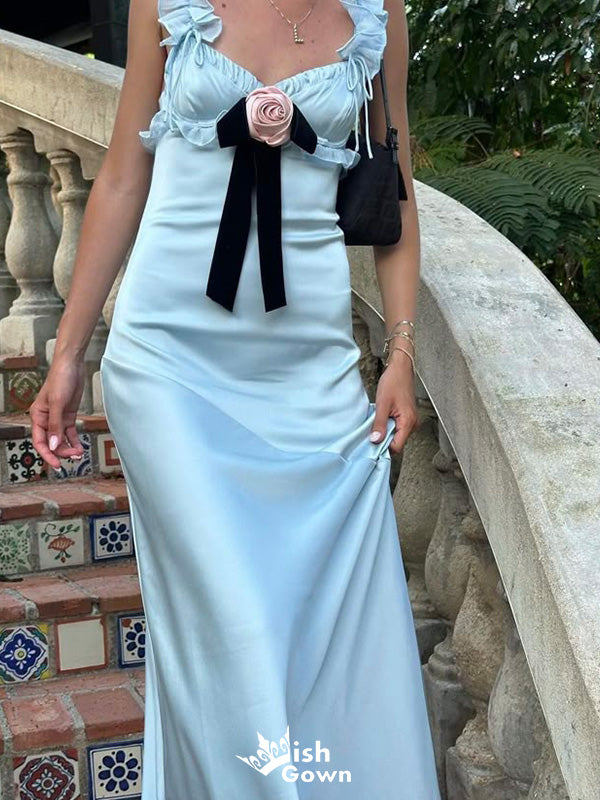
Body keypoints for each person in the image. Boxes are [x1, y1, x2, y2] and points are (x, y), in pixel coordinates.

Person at [30, 0, 441, 796]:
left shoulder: (376, 12)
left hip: (312, 376)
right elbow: (122, 174)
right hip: (169, 365)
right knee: (236, 628)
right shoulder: (167, 3)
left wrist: (401, 352)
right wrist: (70, 354)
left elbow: (395, 191)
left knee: (313, 640)